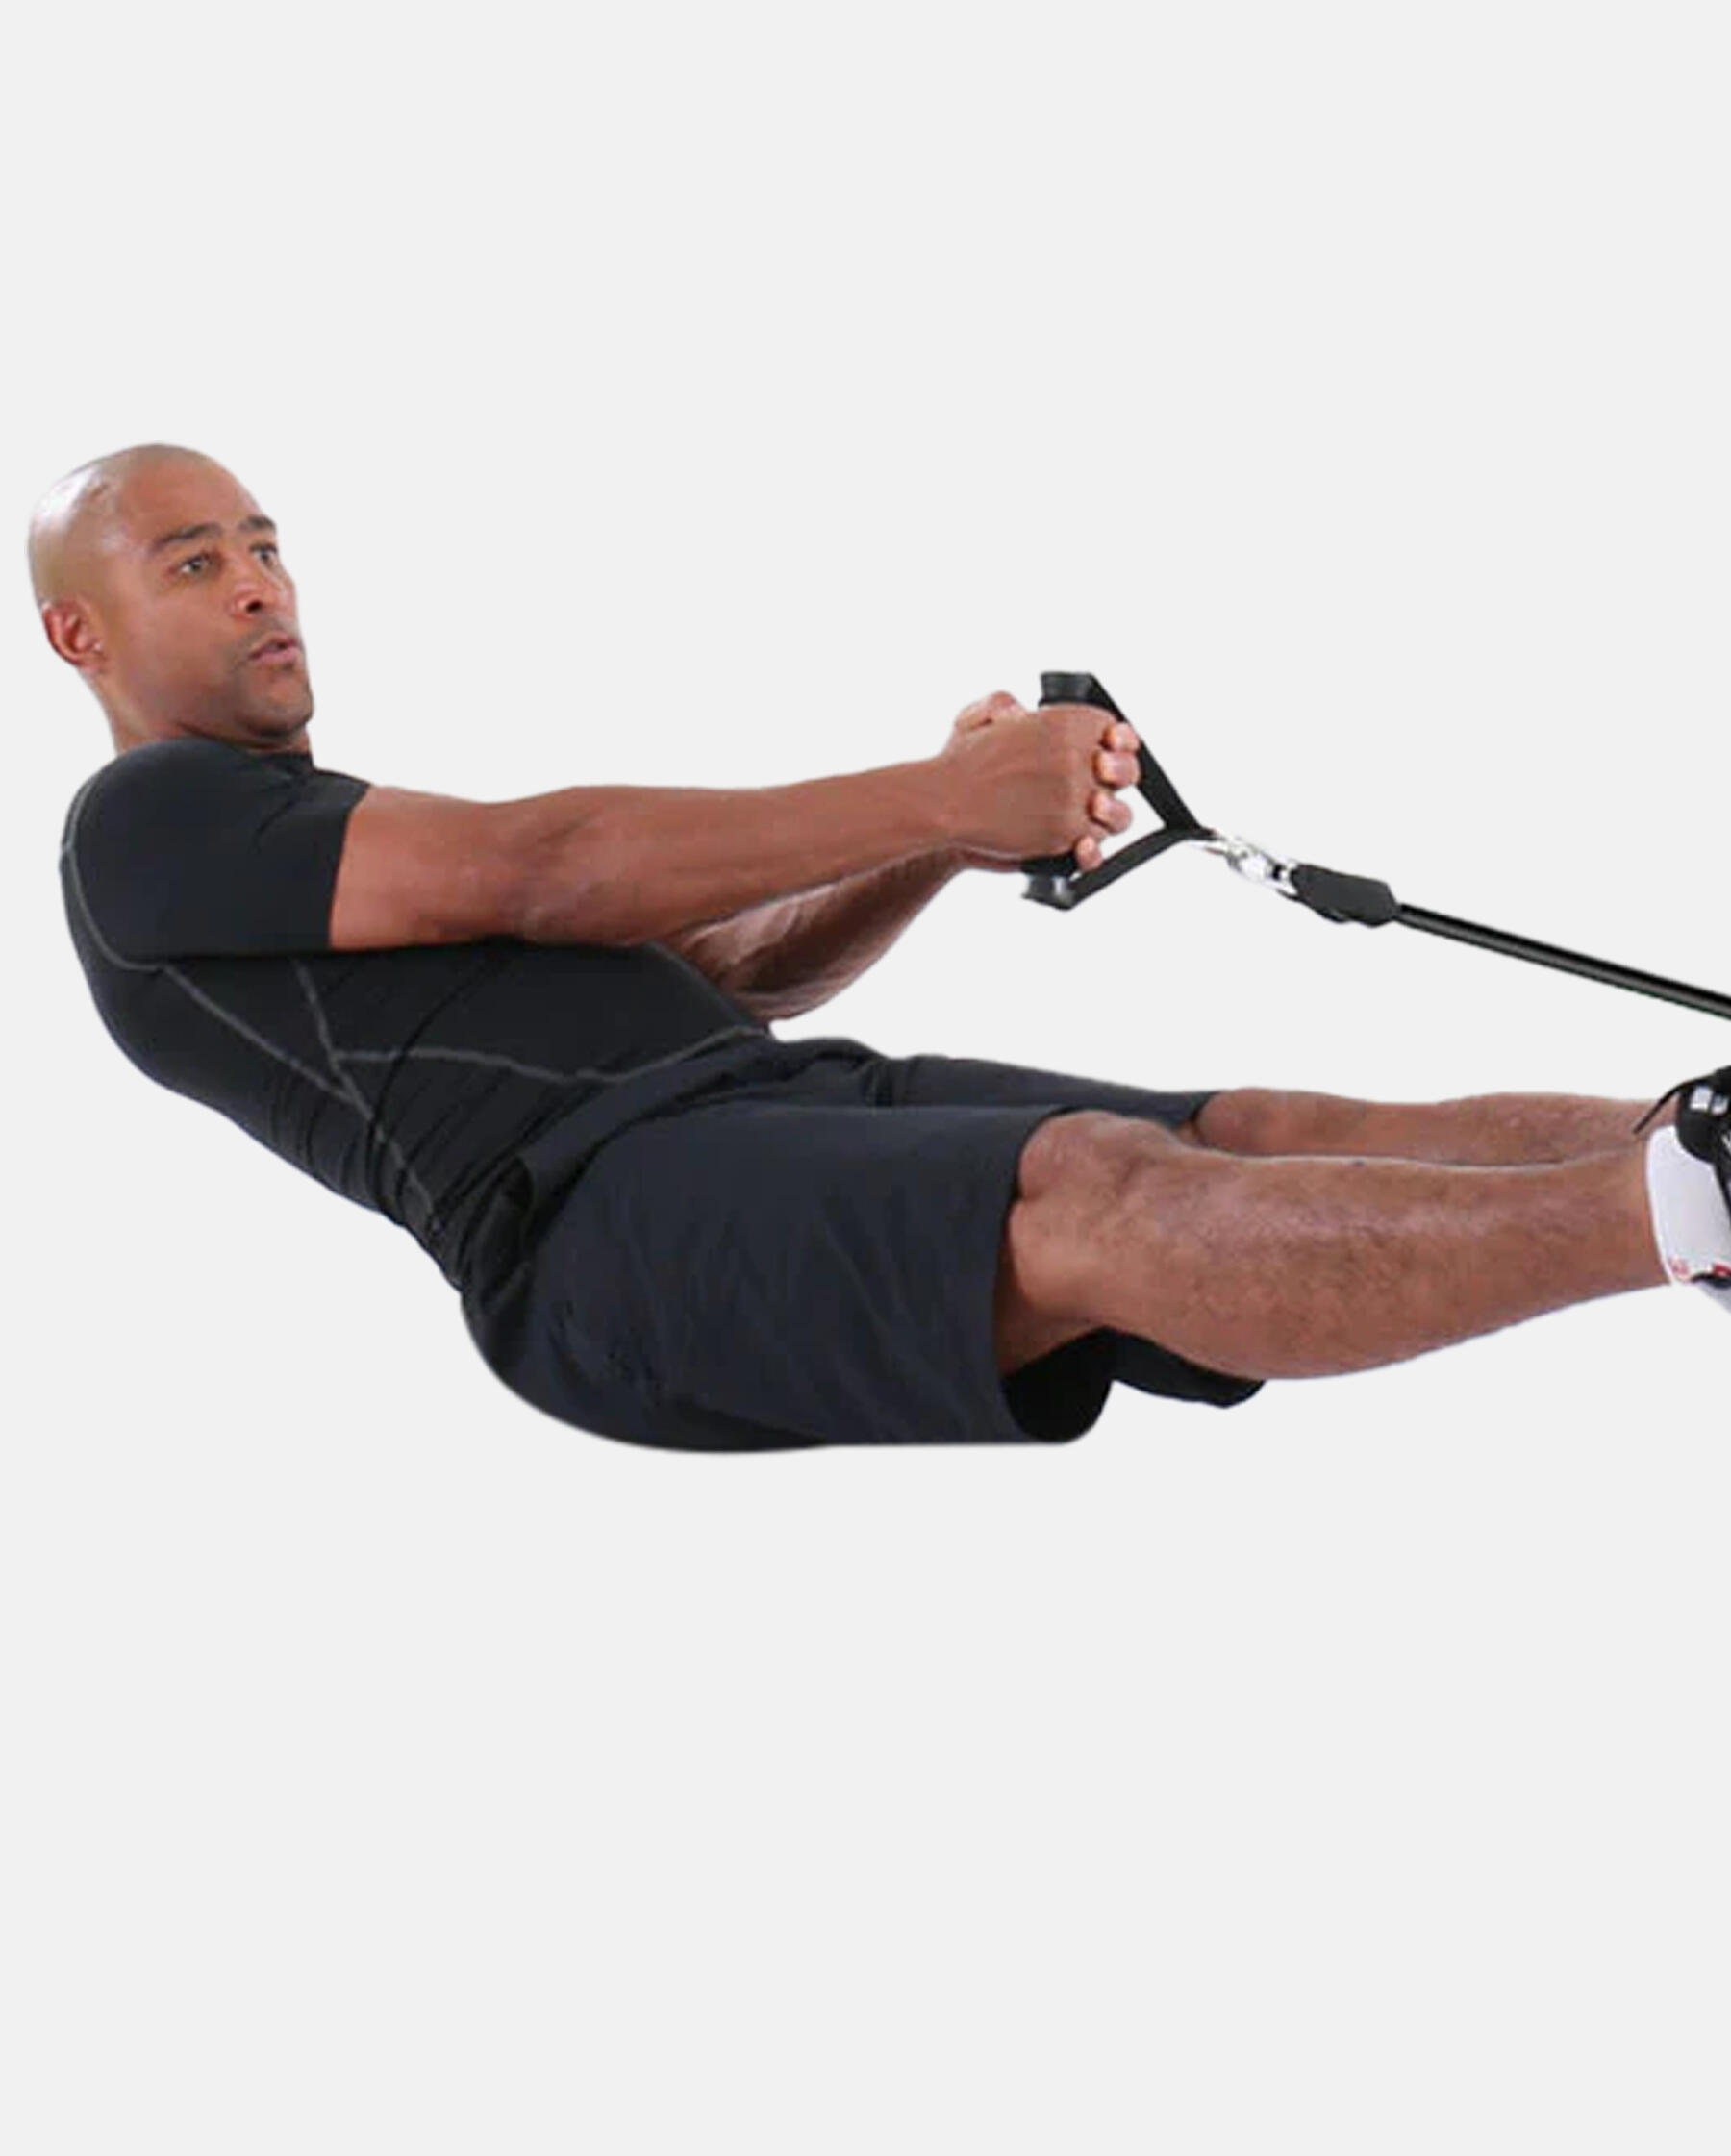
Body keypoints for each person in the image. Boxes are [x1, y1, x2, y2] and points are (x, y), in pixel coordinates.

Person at [29, 442, 1731, 1453]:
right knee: (1094, 1196)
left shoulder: (301, 847)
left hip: (760, 1100)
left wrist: (942, 837)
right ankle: (1684, 1206)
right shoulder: (146, 824)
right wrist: (940, 786)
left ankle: (1685, 1151)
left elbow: (728, 984)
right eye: (199, 561)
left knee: (1251, 1131)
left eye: (267, 545)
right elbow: (551, 866)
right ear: (79, 632)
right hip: (598, 1231)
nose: (261, 584)